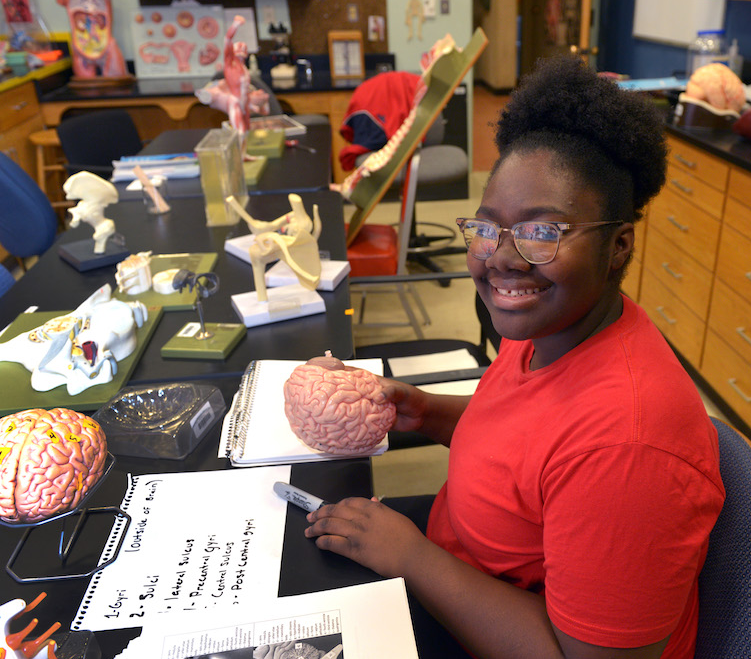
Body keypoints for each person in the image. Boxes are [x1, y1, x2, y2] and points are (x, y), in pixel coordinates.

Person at [304, 55, 725, 659]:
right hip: (460, 561)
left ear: (618, 245)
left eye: (543, 233)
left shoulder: (628, 446)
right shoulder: (547, 330)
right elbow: (529, 443)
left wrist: (411, 555)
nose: (501, 257)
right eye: (487, 227)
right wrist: (426, 413)